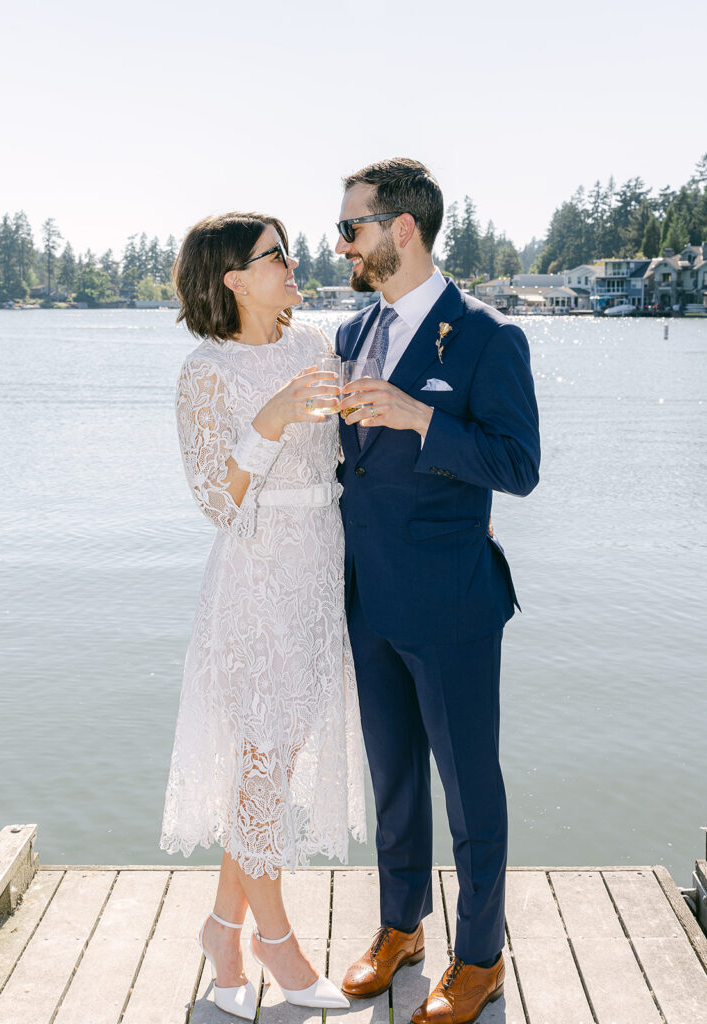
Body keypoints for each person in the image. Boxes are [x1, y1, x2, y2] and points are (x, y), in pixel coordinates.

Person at [333, 159, 540, 1024]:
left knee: (469, 787)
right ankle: (400, 927)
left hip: (452, 603)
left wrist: (420, 417)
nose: (340, 244)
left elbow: (517, 466)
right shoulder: (349, 333)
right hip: (366, 598)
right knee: (392, 779)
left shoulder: (488, 336)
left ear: (402, 228)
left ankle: (480, 958)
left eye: (351, 228)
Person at [160, 212, 366, 1017]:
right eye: (275, 255)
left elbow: (349, 455)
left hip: (319, 573)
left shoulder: (317, 344)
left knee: (271, 766)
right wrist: (270, 418)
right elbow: (217, 502)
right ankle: (275, 946)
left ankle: (221, 932)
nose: (293, 263)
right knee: (261, 764)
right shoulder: (205, 371)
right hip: (254, 581)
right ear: (234, 281)